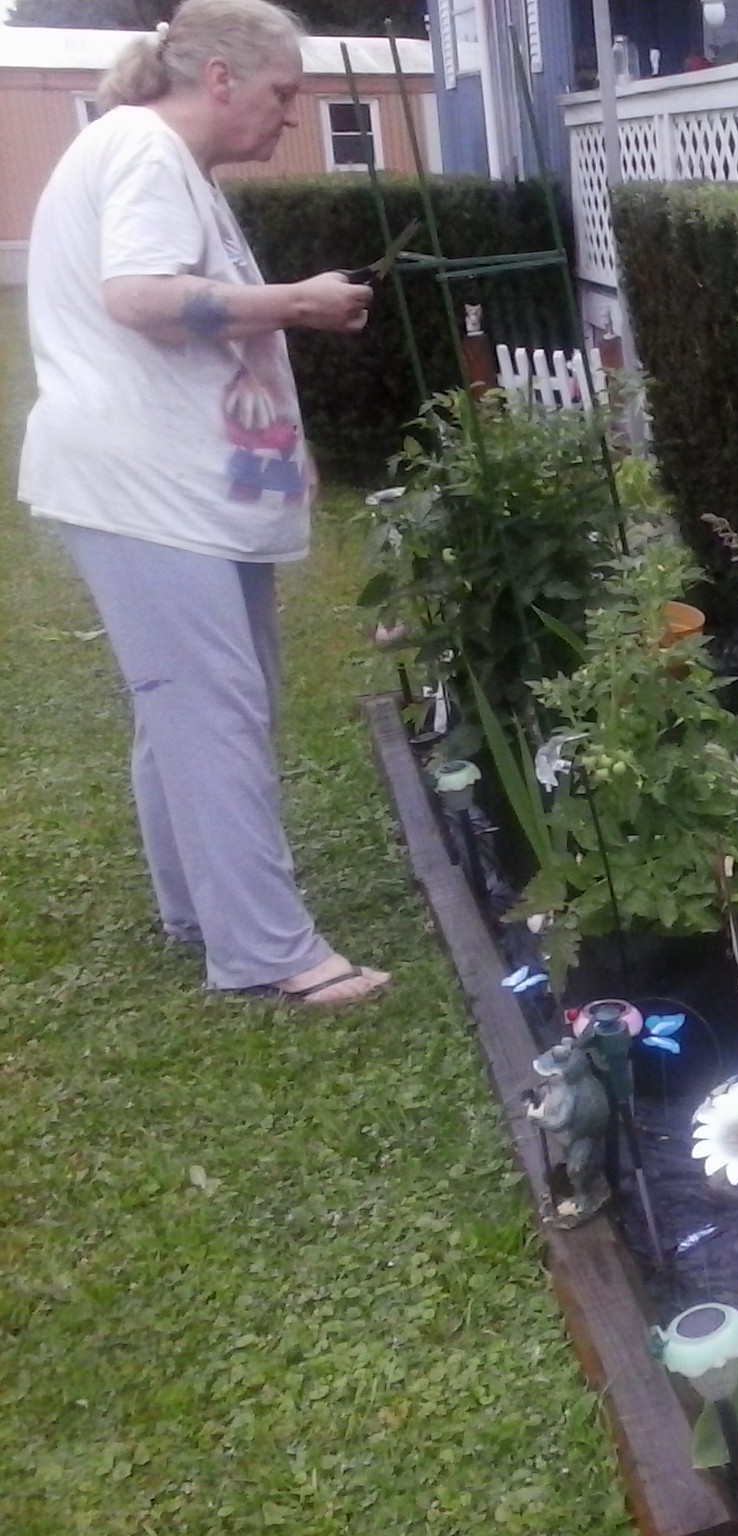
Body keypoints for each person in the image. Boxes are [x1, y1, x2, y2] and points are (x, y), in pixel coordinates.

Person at [17, 0, 390, 1008]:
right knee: (211, 709)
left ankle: (198, 911)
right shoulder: (144, 147)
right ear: (220, 78)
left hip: (175, 481)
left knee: (193, 705)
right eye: (281, 92)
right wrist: (301, 301)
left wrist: (282, 449)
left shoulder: (169, 163)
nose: (291, 116)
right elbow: (139, 297)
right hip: (142, 485)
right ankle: (269, 955)